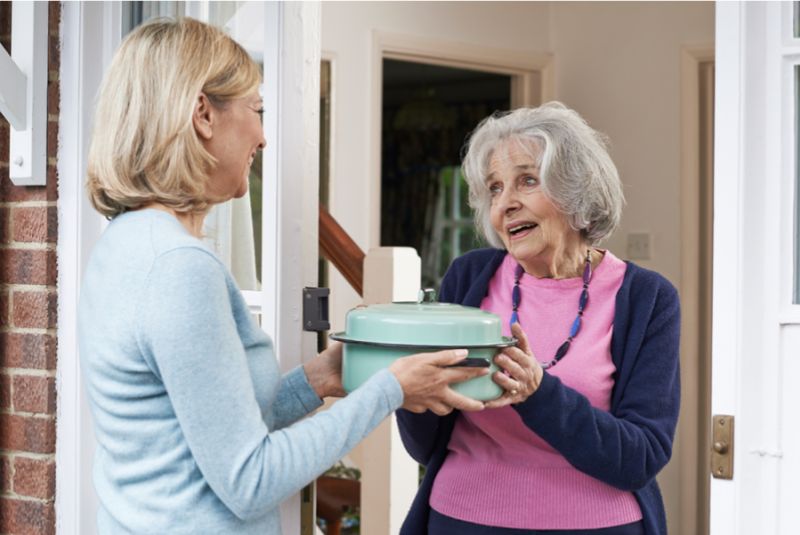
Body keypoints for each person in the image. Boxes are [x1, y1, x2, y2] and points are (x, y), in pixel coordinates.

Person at [77, 17, 488, 534]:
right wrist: (388, 389)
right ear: (202, 113)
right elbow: (250, 479)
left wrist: (323, 378)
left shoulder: (123, 242)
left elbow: (215, 425)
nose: (264, 137)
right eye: (257, 110)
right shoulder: (179, 269)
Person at [397, 103, 680, 535]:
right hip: (462, 520)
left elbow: (640, 456)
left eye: (527, 181)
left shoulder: (646, 299)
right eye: (494, 189)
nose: (506, 204)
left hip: (597, 526)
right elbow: (426, 444)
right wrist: (411, 388)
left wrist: (539, 394)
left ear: (576, 189)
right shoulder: (469, 278)